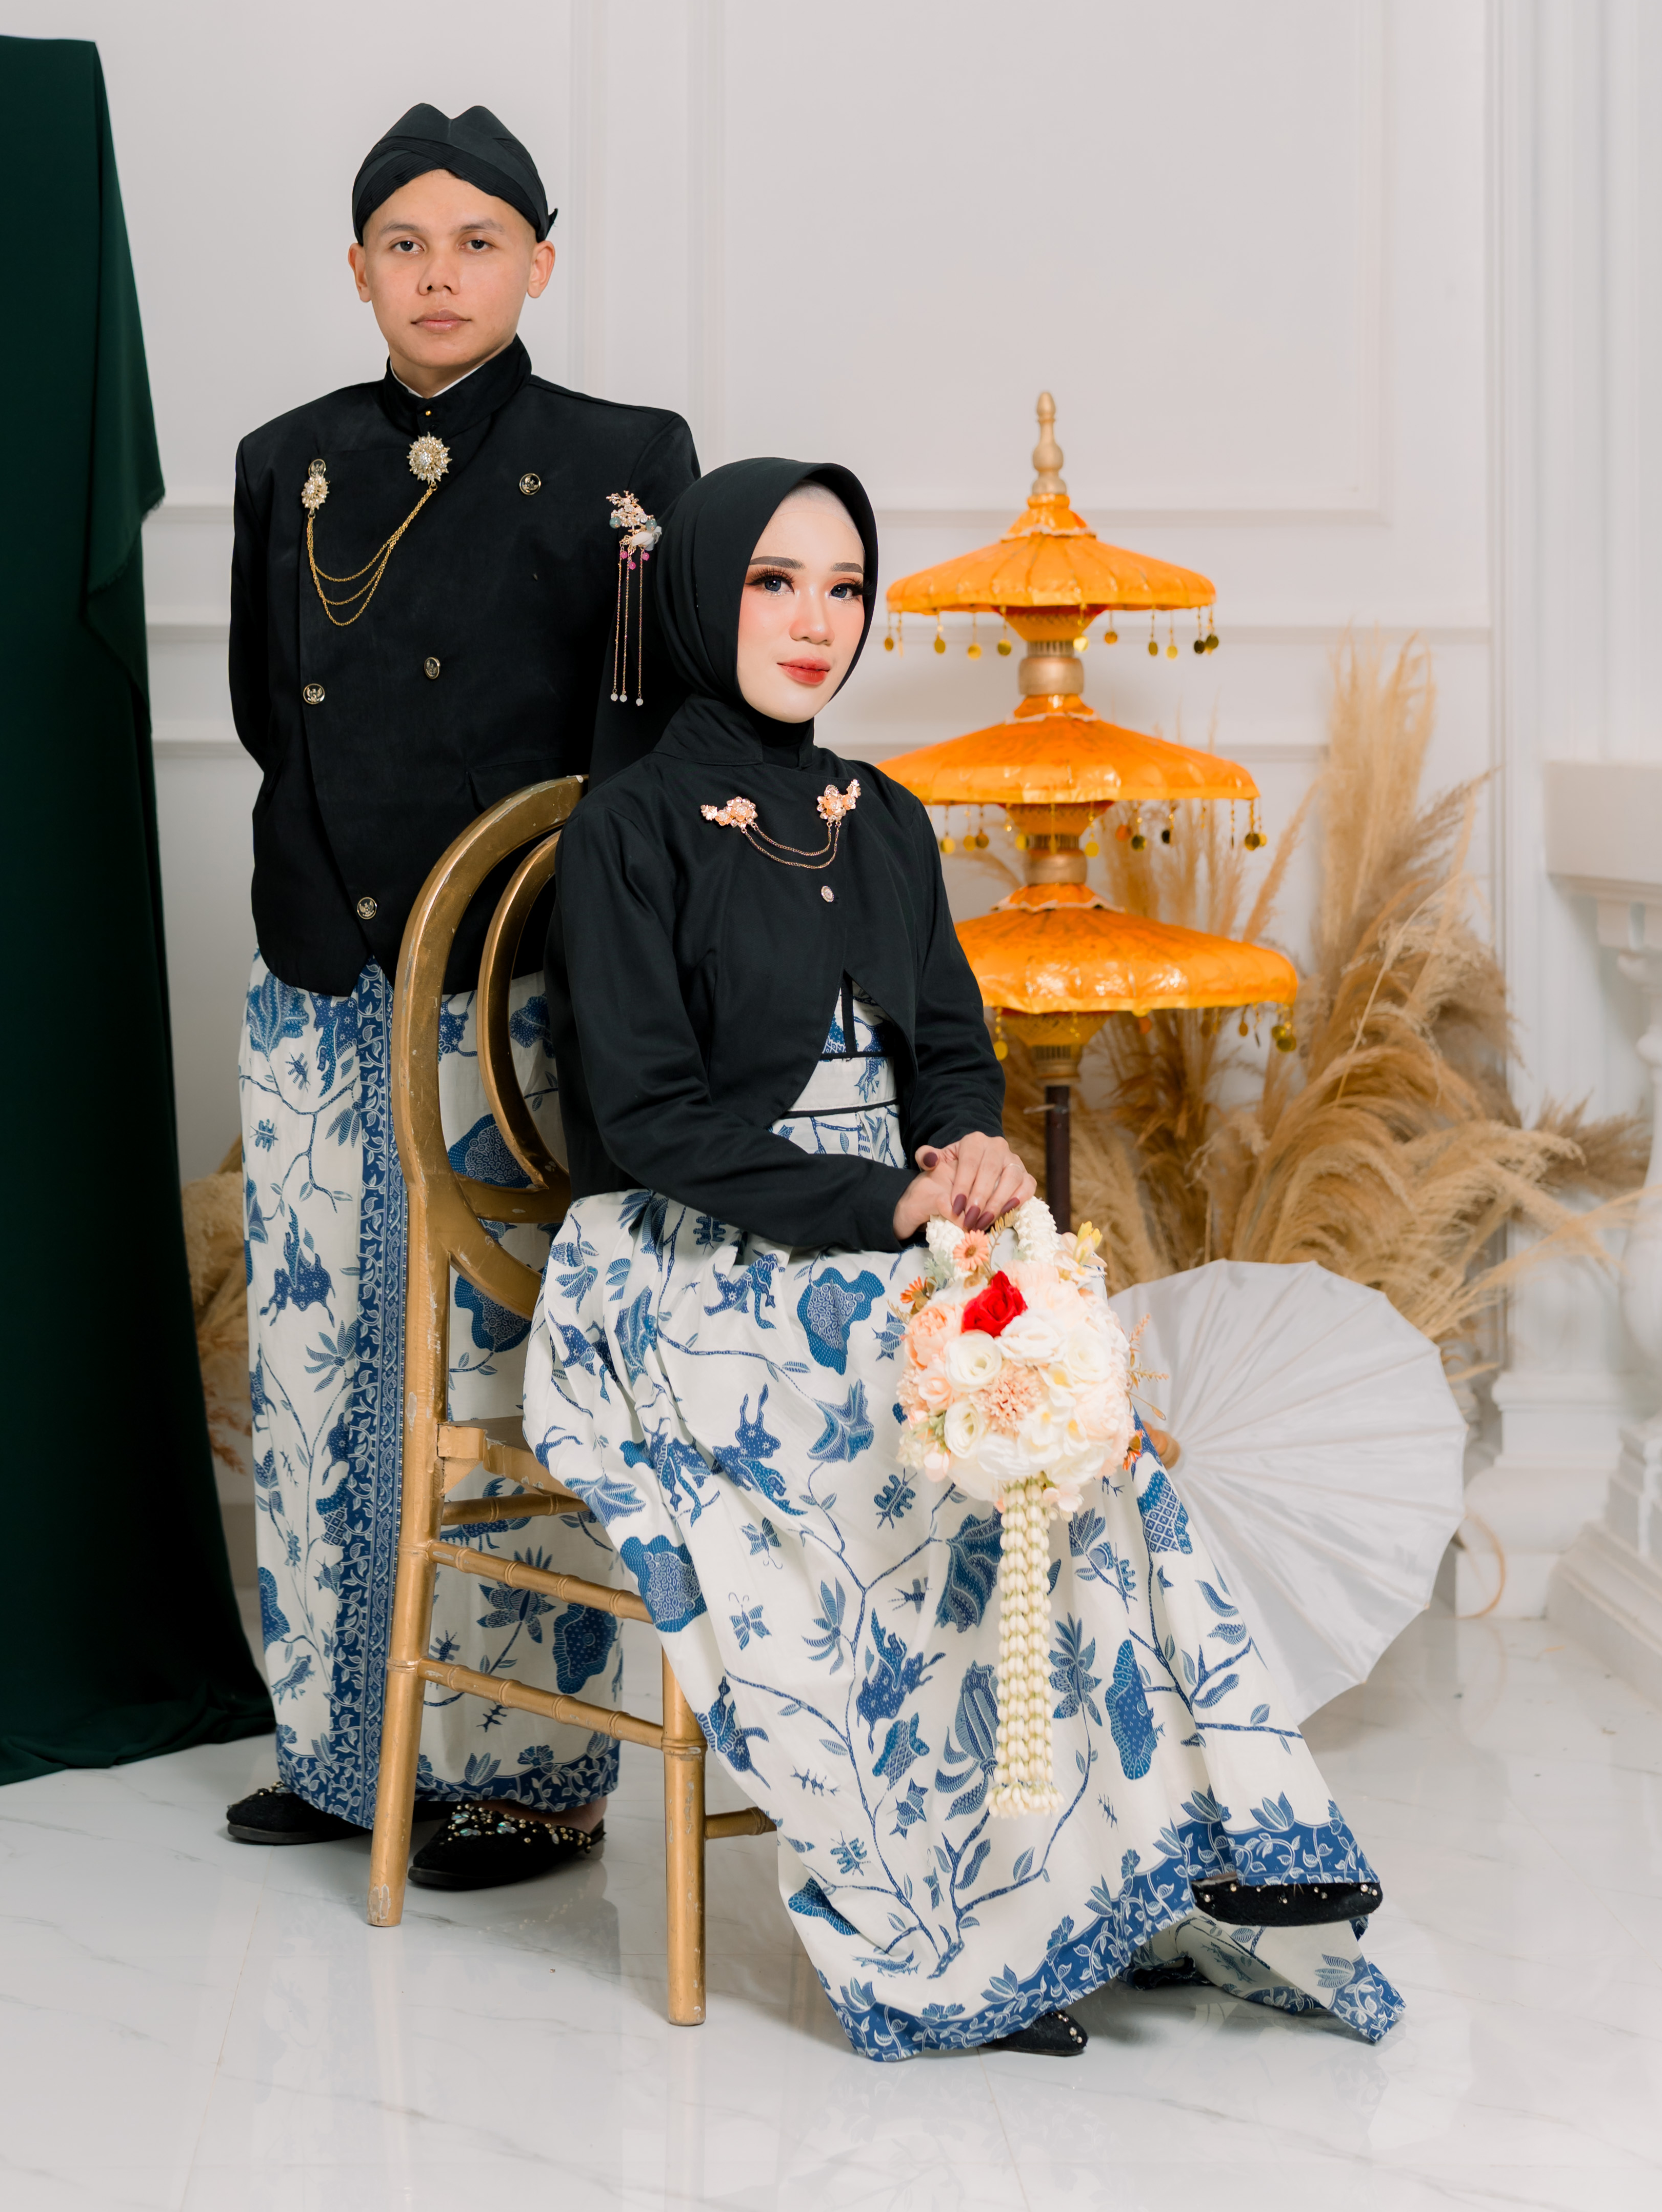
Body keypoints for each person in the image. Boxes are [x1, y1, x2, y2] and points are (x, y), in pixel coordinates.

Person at [524, 457, 1401, 2055]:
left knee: (1067, 1414)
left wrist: (970, 1151)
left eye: (843, 587)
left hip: (893, 1232)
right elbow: (648, 1121)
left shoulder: (883, 818)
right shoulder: (627, 829)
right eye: (773, 582)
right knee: (917, 1434)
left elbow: (944, 1052)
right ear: (701, 594)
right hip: (687, 1258)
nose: (816, 621)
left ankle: (1140, 1867)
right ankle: (961, 1927)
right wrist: (883, 1208)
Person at [227, 102, 697, 1884]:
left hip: (515, 990)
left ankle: (526, 1776)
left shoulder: (622, 457)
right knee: (315, 1371)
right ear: (358, 269)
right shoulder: (288, 458)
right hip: (324, 980)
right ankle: (341, 1752)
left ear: (539, 265)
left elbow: (642, 740)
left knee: (509, 1377)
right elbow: (268, 708)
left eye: (478, 243)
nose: (441, 275)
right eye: (405, 245)